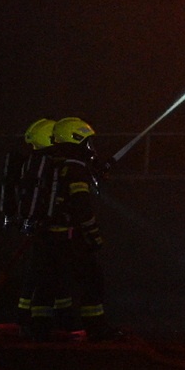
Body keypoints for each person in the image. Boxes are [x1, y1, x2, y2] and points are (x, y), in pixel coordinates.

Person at [27, 116, 113, 340]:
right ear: (75, 139)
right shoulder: (75, 169)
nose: (90, 147)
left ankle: (38, 330)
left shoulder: (52, 163)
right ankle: (97, 330)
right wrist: (94, 236)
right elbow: (81, 207)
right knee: (91, 281)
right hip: (70, 238)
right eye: (86, 141)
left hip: (47, 236)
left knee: (47, 284)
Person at [8, 118, 55, 331]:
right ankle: (35, 322)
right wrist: (33, 220)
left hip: (38, 226)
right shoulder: (44, 161)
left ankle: (28, 319)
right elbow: (37, 194)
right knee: (42, 272)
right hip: (43, 229)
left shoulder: (34, 161)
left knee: (37, 272)